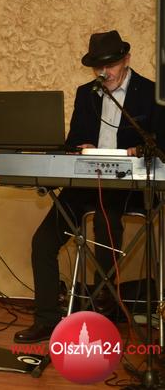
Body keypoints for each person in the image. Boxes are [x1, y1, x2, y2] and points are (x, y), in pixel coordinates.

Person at [14, 30, 161, 344]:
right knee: (43, 241)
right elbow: (72, 142)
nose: (104, 72)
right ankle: (46, 320)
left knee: (107, 223)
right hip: (85, 182)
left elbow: (159, 143)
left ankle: (103, 301)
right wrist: (81, 148)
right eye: (98, 67)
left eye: (110, 65)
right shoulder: (86, 94)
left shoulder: (150, 92)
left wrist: (139, 150)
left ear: (126, 59)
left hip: (129, 187)